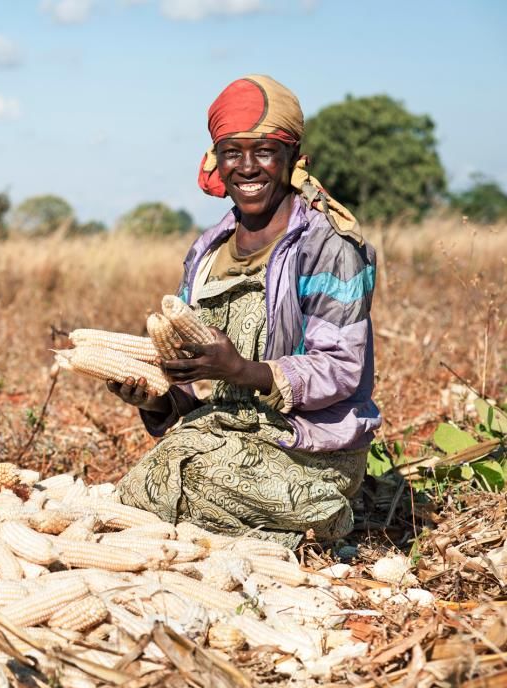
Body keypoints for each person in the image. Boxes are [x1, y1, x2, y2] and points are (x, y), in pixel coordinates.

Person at [112, 75, 380, 548]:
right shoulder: (207, 251)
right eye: (233, 151)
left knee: (189, 484)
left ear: (293, 159)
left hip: (304, 447)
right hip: (221, 435)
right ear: (217, 160)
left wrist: (243, 370)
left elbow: (342, 368)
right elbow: (197, 387)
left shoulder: (329, 246)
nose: (248, 166)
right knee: (142, 489)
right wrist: (156, 398)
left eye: (265, 151)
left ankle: (325, 515)